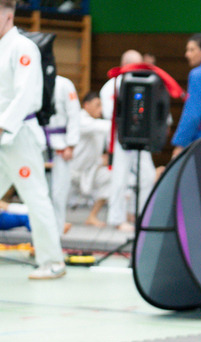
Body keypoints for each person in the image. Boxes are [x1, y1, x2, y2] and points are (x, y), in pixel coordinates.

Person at [0, 0, 65, 279]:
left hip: (19, 135)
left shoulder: (23, 47)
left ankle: (53, 262)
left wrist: (3, 126)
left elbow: (26, 95)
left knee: (35, 197)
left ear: (8, 16)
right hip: (4, 134)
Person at [101, 49, 157, 232]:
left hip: (140, 137)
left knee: (148, 176)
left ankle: (140, 215)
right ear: (126, 64)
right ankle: (117, 219)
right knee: (120, 178)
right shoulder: (112, 85)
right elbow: (110, 114)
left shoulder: (144, 83)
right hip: (121, 138)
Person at [46, 74, 82, 234]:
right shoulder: (31, 80)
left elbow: (74, 115)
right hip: (37, 143)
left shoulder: (64, 84)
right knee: (40, 194)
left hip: (61, 146)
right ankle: (42, 233)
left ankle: (57, 232)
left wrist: (71, 144)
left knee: (59, 194)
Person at [73, 92, 112, 227]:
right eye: (97, 105)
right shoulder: (80, 119)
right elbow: (105, 127)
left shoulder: (98, 123)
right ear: (86, 105)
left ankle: (92, 216)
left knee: (110, 177)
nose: (100, 109)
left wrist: (103, 160)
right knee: (57, 197)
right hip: (72, 170)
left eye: (101, 105)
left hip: (90, 170)